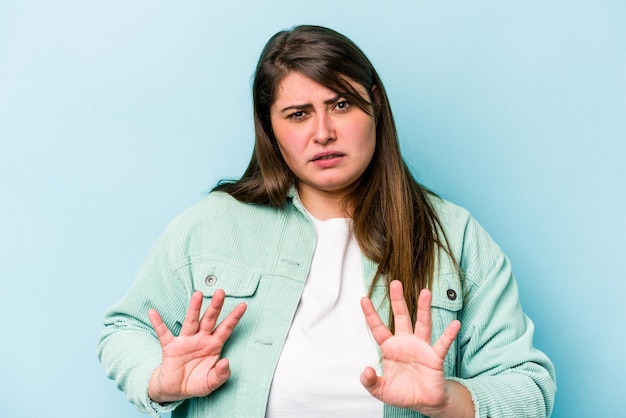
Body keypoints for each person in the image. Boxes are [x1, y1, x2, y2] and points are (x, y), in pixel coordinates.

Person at [97, 25, 556, 418]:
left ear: (375, 104)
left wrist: (448, 401)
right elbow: (124, 330)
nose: (323, 133)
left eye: (341, 105)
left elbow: (529, 385)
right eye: (298, 115)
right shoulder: (213, 225)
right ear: (270, 129)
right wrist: (160, 381)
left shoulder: (453, 236)